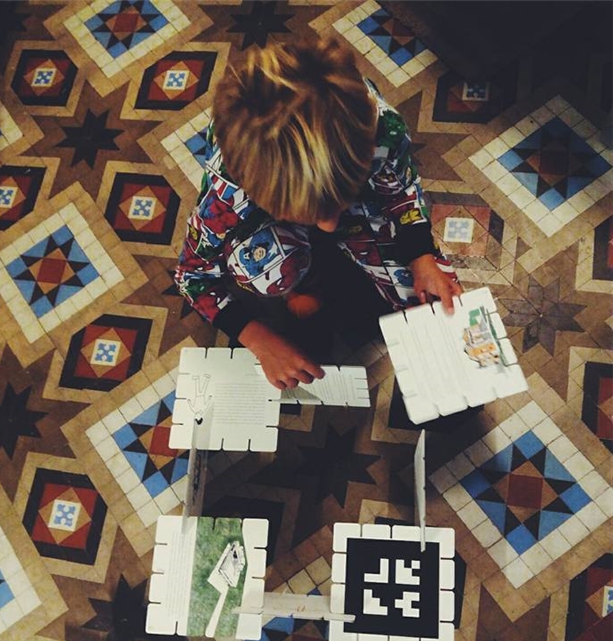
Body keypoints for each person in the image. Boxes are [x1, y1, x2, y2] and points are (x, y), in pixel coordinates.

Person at [174, 34, 461, 390]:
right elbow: (191, 276)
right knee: (260, 269)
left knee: (430, 302)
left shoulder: (381, 128)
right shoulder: (227, 193)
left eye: (342, 199)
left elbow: (402, 188)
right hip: (265, 214)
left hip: (329, 188)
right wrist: (258, 339)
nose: (328, 226)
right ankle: (299, 286)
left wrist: (421, 255)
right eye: (311, 214)